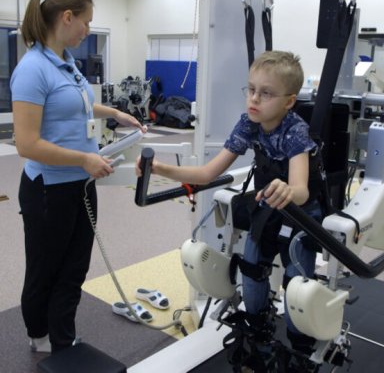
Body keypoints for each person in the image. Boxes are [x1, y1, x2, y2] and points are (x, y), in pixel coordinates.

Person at [136, 51, 323, 364]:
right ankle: (259, 337)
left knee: (296, 288)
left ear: (289, 102)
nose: (254, 99)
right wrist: (160, 169)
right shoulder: (248, 123)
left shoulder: (295, 130)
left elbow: (301, 190)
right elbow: (207, 173)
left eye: (266, 93)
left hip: (301, 214)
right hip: (268, 207)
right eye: (251, 89)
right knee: (251, 270)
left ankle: (300, 351)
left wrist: (288, 190)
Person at [11, 0, 146, 354]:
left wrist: (115, 112)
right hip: (48, 189)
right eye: (86, 22)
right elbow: (26, 144)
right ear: (67, 17)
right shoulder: (32, 69)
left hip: (80, 185)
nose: (88, 30)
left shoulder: (67, 61)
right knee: (46, 268)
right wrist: (84, 159)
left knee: (74, 267)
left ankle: (62, 336)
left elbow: (77, 103)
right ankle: (39, 336)